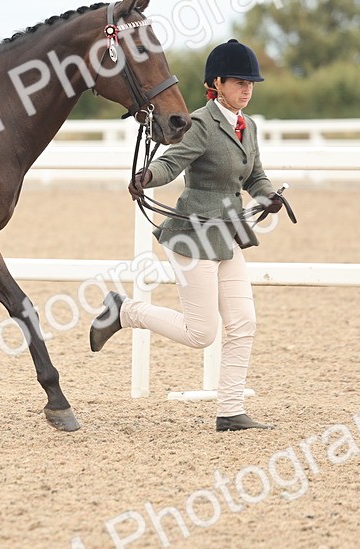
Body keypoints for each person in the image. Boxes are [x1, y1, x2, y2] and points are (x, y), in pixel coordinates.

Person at [89, 39, 285, 431]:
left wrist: (268, 195)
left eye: (251, 83)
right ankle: (124, 311)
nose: (247, 89)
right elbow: (172, 163)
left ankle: (230, 411)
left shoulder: (249, 127)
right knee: (201, 333)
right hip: (193, 234)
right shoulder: (201, 123)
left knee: (244, 322)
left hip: (228, 235)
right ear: (217, 83)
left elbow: (256, 176)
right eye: (239, 82)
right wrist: (147, 177)